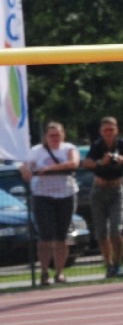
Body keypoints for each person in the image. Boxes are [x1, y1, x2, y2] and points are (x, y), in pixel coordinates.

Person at [19, 122, 80, 285]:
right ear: (46, 136)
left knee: (62, 236)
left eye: (57, 135)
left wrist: (49, 169)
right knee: (45, 236)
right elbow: (25, 166)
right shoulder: (36, 151)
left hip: (66, 194)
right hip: (43, 195)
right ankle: (44, 272)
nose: (54, 138)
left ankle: (59, 272)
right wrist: (24, 169)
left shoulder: (69, 148)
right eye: (51, 135)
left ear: (63, 135)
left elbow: (73, 163)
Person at [81, 117, 123, 278]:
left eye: (111, 129)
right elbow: (86, 162)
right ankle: (108, 265)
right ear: (101, 131)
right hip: (99, 190)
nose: (108, 133)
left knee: (116, 229)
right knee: (101, 232)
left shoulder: (122, 144)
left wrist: (122, 159)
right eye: (105, 130)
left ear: (116, 130)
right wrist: (101, 162)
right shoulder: (97, 145)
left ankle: (118, 263)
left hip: (116, 190)